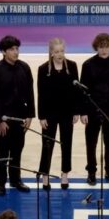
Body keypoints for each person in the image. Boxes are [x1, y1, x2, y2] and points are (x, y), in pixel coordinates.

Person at [0, 35, 35, 196]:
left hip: (21, 118)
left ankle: (15, 179)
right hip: (4, 119)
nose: (16, 52)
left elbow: (30, 93)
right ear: (3, 51)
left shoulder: (25, 67)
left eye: (17, 48)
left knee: (17, 150)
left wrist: (30, 115)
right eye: (12, 49)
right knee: (1, 152)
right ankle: (0, 183)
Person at [80, 33, 109, 186]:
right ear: (97, 47)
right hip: (93, 109)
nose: (104, 50)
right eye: (101, 47)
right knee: (91, 143)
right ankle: (91, 172)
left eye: (106, 47)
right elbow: (83, 91)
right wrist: (83, 112)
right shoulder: (88, 65)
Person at [37, 38, 80, 190]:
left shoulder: (73, 66)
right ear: (51, 52)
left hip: (67, 113)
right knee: (47, 145)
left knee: (66, 143)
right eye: (56, 52)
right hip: (49, 115)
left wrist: (76, 111)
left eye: (62, 51)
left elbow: (77, 92)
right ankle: (45, 174)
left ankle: (64, 174)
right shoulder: (43, 69)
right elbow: (40, 94)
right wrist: (41, 116)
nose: (60, 54)